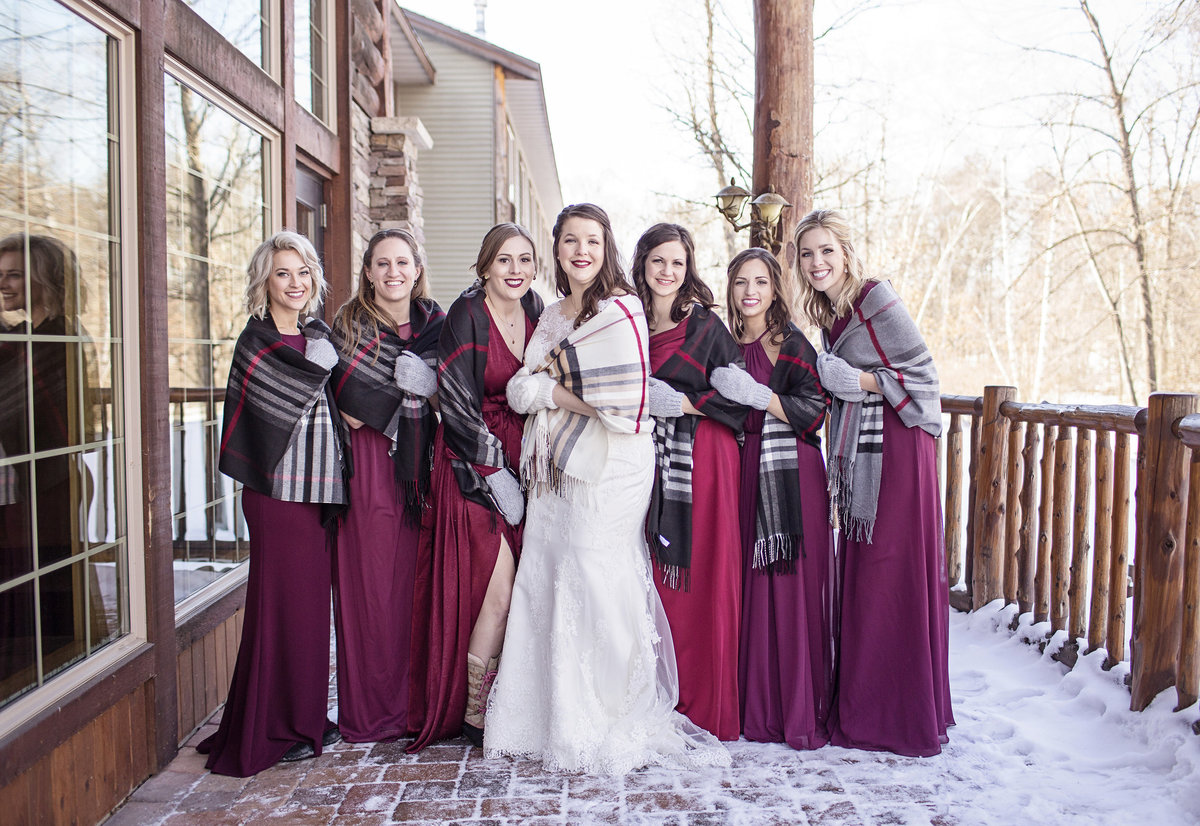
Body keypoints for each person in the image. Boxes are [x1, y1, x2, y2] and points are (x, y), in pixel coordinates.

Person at [484, 203, 729, 774]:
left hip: (613, 466)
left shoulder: (622, 310)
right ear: (558, 248)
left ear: (606, 247)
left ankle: (613, 709)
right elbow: (520, 388)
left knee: (595, 571)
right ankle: (548, 715)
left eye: (591, 241)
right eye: (570, 241)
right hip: (554, 472)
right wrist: (547, 388)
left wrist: (550, 389)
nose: (581, 252)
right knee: (548, 573)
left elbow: (620, 403)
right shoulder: (547, 315)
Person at [794, 208, 953, 757]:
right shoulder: (830, 313)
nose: (817, 263)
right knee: (865, 573)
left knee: (891, 571)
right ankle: (864, 709)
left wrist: (859, 380)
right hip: (867, 456)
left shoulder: (875, 298)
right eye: (808, 254)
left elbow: (925, 376)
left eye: (826, 251)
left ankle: (898, 718)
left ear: (846, 252)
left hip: (900, 452)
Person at [197, 231, 346, 776]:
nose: (295, 283)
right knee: (279, 609)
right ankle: (275, 726)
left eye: (303, 272)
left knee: (309, 611)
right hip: (276, 493)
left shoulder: (318, 336)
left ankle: (303, 713)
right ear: (265, 281)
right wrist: (320, 369)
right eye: (283, 273)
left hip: (317, 492)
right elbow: (258, 420)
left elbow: (334, 408)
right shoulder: (256, 341)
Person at [407, 223, 542, 751]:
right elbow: (458, 406)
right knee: (500, 590)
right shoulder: (467, 313)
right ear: (484, 266)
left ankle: (507, 702)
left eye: (525, 260)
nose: (515, 270)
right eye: (504, 260)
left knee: (522, 592)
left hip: (525, 457)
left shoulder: (537, 310)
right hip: (469, 461)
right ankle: (473, 714)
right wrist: (494, 473)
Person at [709, 247, 835, 750]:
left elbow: (816, 412)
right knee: (746, 589)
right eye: (741, 282)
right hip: (738, 469)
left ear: (775, 288)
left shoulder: (790, 343)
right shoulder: (719, 343)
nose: (750, 292)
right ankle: (749, 705)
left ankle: (794, 709)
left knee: (786, 589)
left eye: (760, 282)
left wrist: (763, 398)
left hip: (790, 475)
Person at [631, 222, 746, 741]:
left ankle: (703, 701)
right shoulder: (628, 321)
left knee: (697, 579)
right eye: (658, 260)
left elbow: (741, 399)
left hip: (704, 460)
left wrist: (686, 404)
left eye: (677, 262)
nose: (667, 271)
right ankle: (655, 695)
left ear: (688, 268)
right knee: (650, 574)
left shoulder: (706, 328)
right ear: (643, 264)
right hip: (642, 461)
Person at [329, 228, 444, 743]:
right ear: (369, 272)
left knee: (416, 589)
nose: (394, 272)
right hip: (372, 468)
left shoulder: (437, 324)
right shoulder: (349, 325)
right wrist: (409, 394)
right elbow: (350, 410)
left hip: (425, 469)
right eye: (383, 264)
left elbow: (455, 389)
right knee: (372, 589)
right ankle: (372, 712)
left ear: (417, 269)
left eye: (403, 262)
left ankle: (414, 706)